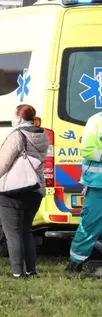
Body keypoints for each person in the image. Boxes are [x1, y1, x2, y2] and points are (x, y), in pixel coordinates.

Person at [0, 105, 48, 278]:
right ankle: (31, 270)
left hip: (12, 191)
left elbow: (2, 165)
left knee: (13, 233)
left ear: (19, 118)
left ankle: (17, 273)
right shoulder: (43, 135)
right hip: (34, 189)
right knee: (27, 231)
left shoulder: (17, 136)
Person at [65, 110, 102, 275]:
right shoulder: (96, 121)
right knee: (89, 225)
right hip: (97, 185)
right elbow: (87, 150)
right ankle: (74, 264)